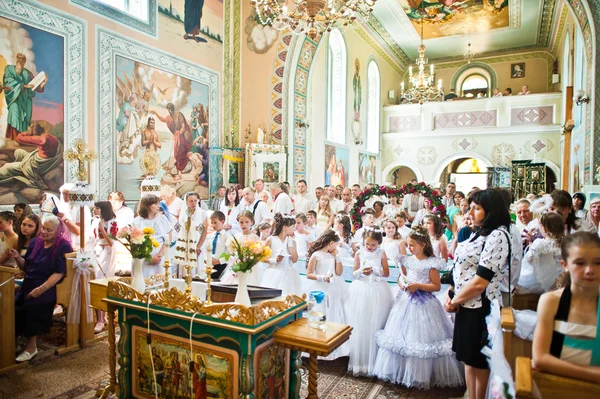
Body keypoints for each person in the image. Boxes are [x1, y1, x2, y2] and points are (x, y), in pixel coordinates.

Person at [373, 226, 464, 388]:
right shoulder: (406, 260)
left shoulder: (431, 264)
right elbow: (402, 277)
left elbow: (436, 286)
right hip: (406, 301)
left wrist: (419, 286)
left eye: (413, 245)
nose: (409, 248)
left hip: (425, 303)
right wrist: (402, 284)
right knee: (403, 336)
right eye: (408, 245)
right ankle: (402, 369)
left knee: (421, 337)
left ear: (423, 245)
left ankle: (420, 375)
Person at [445, 189, 512, 399]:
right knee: (468, 359)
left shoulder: (498, 235)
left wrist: (455, 300)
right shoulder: (479, 231)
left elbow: (481, 281)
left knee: (479, 361)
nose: (470, 212)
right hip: (465, 303)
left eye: (477, 208)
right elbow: (461, 268)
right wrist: (451, 291)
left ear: (491, 210)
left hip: (481, 307)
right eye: (470, 207)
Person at [532, 232, 600, 382]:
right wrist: (595, 375)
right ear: (565, 265)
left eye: (597, 263)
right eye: (580, 263)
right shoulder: (551, 301)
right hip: (555, 388)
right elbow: (540, 358)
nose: (590, 270)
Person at [12, 214, 73, 362]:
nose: (44, 232)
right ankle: (13, 342)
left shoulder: (63, 246)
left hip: (48, 286)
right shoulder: (35, 242)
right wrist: (16, 257)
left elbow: (59, 273)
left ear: (58, 231)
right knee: (12, 307)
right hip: (28, 283)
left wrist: (41, 289)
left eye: (49, 230)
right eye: (43, 228)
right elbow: (26, 266)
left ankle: (31, 347)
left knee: (32, 308)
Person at [345, 227, 393, 376]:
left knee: (375, 322)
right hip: (361, 289)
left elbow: (386, 273)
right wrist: (361, 272)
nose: (369, 247)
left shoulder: (381, 253)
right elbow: (354, 273)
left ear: (379, 243)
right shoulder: (359, 253)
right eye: (367, 243)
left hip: (377, 290)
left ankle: (375, 362)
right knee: (361, 323)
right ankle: (360, 361)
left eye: (373, 244)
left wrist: (375, 270)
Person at [305, 229, 349, 360]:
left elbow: (339, 272)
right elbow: (309, 274)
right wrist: (321, 277)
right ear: (330, 243)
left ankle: (333, 347)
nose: (336, 247)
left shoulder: (333, 255)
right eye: (336, 244)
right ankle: (317, 345)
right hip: (320, 287)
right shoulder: (316, 255)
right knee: (320, 313)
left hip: (333, 288)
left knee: (333, 313)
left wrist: (337, 256)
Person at [0, 122, 62, 192]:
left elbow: (19, 138)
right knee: (18, 152)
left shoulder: (42, 140)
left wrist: (28, 133)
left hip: (37, 165)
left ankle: (18, 170)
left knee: (7, 167)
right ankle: (19, 168)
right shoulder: (50, 137)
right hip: (43, 160)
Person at [3, 53, 48, 141]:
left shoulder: (27, 73)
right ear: (17, 61)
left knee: (25, 120)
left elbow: (35, 85)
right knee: (14, 114)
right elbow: (8, 82)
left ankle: (22, 139)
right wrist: (24, 86)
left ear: (24, 63)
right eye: (19, 61)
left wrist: (43, 83)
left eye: (23, 62)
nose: (21, 64)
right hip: (14, 98)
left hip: (25, 100)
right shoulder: (9, 69)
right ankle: (14, 139)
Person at [517, 212, 564, 294]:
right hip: (560, 280)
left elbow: (527, 260)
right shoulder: (566, 243)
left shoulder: (540, 243)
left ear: (544, 229)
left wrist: (531, 247)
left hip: (542, 283)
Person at [91, 201, 117, 333]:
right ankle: (100, 317)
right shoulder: (97, 220)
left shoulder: (112, 222)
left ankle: (101, 319)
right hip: (98, 250)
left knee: (101, 282)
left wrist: (102, 228)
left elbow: (111, 242)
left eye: (97, 208)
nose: (94, 210)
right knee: (95, 280)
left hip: (107, 252)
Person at [131, 195, 172, 278]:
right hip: (142, 258)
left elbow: (168, 238)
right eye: (155, 204)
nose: (159, 206)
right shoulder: (137, 221)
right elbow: (133, 242)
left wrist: (159, 255)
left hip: (160, 257)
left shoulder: (162, 219)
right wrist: (148, 257)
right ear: (147, 205)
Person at [150, 103, 193, 181]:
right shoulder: (170, 117)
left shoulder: (179, 115)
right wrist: (155, 113)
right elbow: (163, 119)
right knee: (177, 154)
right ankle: (179, 173)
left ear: (172, 108)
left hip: (183, 137)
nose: (169, 111)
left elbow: (183, 127)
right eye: (168, 109)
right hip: (178, 137)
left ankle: (180, 175)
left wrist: (178, 134)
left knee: (180, 153)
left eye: (170, 109)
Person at [262, 213, 302, 296]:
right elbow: (262, 258)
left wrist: (290, 245)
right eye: (293, 226)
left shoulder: (292, 241)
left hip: (289, 273)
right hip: (274, 272)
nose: (295, 229)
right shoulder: (271, 240)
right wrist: (274, 260)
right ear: (285, 227)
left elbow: (294, 260)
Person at [174, 192, 208, 278]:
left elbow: (204, 231)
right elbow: (178, 230)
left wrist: (198, 246)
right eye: (191, 201)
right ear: (186, 202)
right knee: (185, 270)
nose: (193, 203)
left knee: (197, 270)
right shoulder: (183, 214)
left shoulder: (202, 213)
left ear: (198, 201)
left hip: (198, 244)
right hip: (185, 245)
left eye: (195, 201)